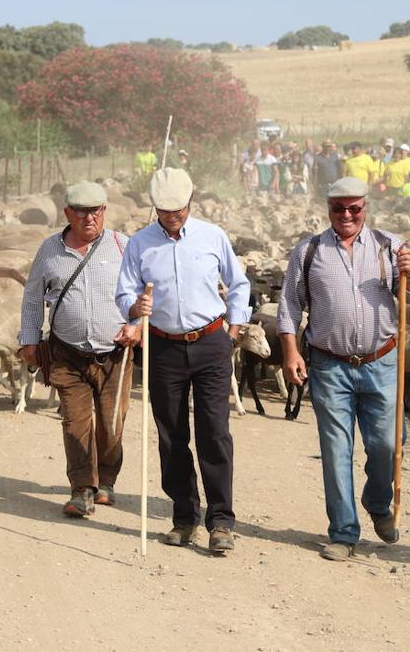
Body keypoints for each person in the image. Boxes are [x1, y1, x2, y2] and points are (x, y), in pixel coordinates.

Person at [276, 177, 410, 561]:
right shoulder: (309, 251)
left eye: (354, 208)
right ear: (328, 210)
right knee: (336, 449)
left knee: (389, 443)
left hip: (381, 361)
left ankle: (378, 502)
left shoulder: (389, 247)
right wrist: (291, 353)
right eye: (339, 208)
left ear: (365, 208)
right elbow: (290, 305)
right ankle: (343, 532)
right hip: (330, 365)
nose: (346, 215)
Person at [117, 168, 251, 554]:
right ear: (155, 207)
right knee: (171, 434)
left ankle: (221, 520)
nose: (172, 216)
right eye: (164, 210)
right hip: (163, 347)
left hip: (211, 342)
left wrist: (235, 327)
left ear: (191, 201)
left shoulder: (212, 236)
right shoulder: (140, 244)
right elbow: (125, 291)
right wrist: (133, 306)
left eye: (178, 209)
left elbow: (238, 283)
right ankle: (184, 516)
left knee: (214, 431)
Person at [19, 182, 141, 517]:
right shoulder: (50, 250)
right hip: (67, 353)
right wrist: (29, 340)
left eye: (96, 210)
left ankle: (107, 480)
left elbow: (144, 297)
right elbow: (32, 297)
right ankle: (82, 489)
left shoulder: (123, 246)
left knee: (111, 425)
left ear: (105, 211)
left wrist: (138, 327)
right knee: (75, 423)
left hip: (115, 355)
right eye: (82, 211)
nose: (90, 218)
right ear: (68, 213)